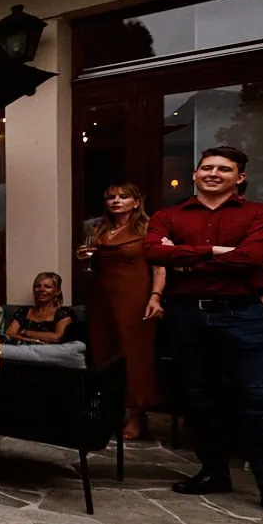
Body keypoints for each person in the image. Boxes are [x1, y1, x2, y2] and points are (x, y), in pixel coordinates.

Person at [144, 146, 263, 519]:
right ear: (194, 174)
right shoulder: (167, 215)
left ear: (240, 177)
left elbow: (251, 259)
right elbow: (154, 253)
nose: (213, 173)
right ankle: (214, 473)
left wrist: (187, 257)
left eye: (224, 169)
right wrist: (216, 251)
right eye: (206, 167)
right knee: (200, 400)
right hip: (187, 316)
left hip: (241, 316)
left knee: (261, 404)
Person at [77, 183, 164, 438]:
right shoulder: (99, 228)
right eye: (111, 197)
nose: (116, 201)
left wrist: (156, 297)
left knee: (134, 353)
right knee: (103, 351)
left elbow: (160, 268)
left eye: (123, 197)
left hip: (135, 297)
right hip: (102, 297)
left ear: (137, 202)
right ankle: (111, 411)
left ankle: (137, 413)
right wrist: (83, 258)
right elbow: (92, 261)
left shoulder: (149, 229)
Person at [3, 272, 75, 345]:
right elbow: (9, 334)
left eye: (47, 287)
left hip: (50, 353)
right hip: (22, 351)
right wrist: (32, 340)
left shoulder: (64, 313)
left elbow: (57, 337)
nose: (41, 289)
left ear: (57, 291)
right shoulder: (23, 311)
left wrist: (26, 332)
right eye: (38, 286)